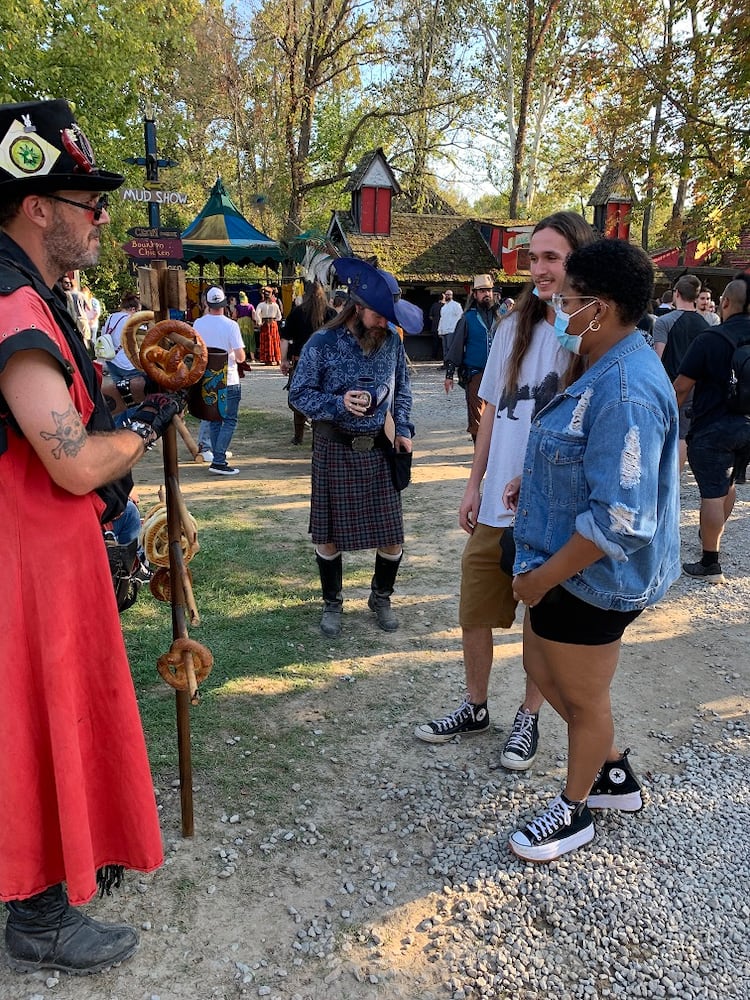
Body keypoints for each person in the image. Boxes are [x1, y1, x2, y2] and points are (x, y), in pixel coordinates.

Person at [0, 98, 178, 973]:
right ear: (37, 205)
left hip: (43, 553)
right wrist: (145, 428)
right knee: (36, 721)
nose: (101, 217)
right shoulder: (13, 311)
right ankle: (36, 914)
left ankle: (67, 868)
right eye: (87, 202)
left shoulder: (33, 296)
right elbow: (68, 463)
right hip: (25, 561)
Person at [504, 238, 680, 862]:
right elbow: (589, 461)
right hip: (559, 568)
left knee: (583, 699)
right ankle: (612, 773)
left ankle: (576, 811)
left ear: (598, 309)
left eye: (569, 298)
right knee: (542, 669)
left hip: (589, 577)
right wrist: (542, 480)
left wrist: (541, 579)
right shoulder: (605, 366)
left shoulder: (627, 386)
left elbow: (622, 518)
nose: (557, 307)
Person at [415, 212, 595, 769]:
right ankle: (475, 705)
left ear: (577, 263)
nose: (539, 269)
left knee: (541, 615)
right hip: (497, 499)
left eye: (553, 258)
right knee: (476, 607)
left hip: (552, 505)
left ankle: (529, 714)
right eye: (534, 257)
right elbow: (490, 411)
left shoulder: (590, 332)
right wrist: (474, 483)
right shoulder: (511, 324)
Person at [288, 257, 422, 637]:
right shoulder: (323, 342)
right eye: (381, 316)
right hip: (334, 448)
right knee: (329, 536)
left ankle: (380, 597)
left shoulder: (392, 340)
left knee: (392, 535)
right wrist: (337, 403)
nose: (387, 323)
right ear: (358, 307)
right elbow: (298, 394)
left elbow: (403, 391)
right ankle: (332, 602)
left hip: (379, 449)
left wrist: (404, 429)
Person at [674, 278, 750, 582]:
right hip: (747, 425)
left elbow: (681, 387)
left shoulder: (711, 339)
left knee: (712, 492)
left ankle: (710, 563)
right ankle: (712, 536)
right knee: (729, 482)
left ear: (727, 303)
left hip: (712, 427)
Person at [653, 274, 708, 469]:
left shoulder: (664, 322)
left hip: (668, 382)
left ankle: (661, 472)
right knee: (683, 432)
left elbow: (657, 356)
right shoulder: (705, 325)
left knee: (661, 429)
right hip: (695, 385)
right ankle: (676, 476)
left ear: (676, 293)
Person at [193, 285, 245, 475]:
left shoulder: (198, 323)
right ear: (224, 303)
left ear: (207, 303)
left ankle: (217, 457)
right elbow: (240, 357)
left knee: (214, 420)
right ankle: (219, 459)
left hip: (208, 378)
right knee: (229, 420)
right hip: (229, 377)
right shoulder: (231, 325)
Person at [444, 274, 500, 443]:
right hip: (476, 374)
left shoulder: (502, 318)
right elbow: (456, 346)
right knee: (477, 417)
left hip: (499, 375)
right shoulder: (467, 319)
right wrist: (449, 374)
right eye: (482, 291)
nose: (487, 294)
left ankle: (493, 457)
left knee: (498, 416)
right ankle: (479, 454)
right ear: (475, 294)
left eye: (489, 290)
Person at [281, 279, 335, 445]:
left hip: (301, 362)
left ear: (305, 293)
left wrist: (283, 360)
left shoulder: (297, 312)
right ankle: (315, 440)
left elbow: (285, 338)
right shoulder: (331, 313)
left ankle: (298, 438)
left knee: (298, 397)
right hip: (325, 365)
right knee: (320, 399)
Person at [255, 285, 282, 365]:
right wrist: (274, 321)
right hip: (273, 323)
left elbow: (257, 314)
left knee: (267, 341)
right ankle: (276, 359)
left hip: (265, 324)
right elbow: (279, 316)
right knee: (274, 341)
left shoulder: (261, 305)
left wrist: (259, 322)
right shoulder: (275, 305)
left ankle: (268, 359)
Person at [437, 289, 462, 361]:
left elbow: (460, 317)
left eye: (449, 294)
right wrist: (439, 330)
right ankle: (445, 363)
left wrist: (457, 329)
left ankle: (451, 364)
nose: (448, 296)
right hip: (444, 330)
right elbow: (441, 319)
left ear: (452, 295)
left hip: (452, 329)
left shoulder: (456, 305)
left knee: (450, 347)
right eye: (446, 294)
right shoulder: (443, 307)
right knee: (445, 349)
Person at [236, 290, 256, 360]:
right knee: (251, 338)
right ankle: (252, 357)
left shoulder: (238, 306)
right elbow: (254, 316)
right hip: (248, 323)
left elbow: (234, 315)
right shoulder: (250, 306)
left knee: (241, 338)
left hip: (240, 323)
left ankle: (243, 357)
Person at [428, 292, 445, 362]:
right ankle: (442, 357)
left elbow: (430, 316)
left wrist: (435, 320)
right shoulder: (445, 306)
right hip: (443, 327)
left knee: (435, 342)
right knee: (443, 343)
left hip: (435, 327)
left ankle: (434, 357)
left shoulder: (434, 305)